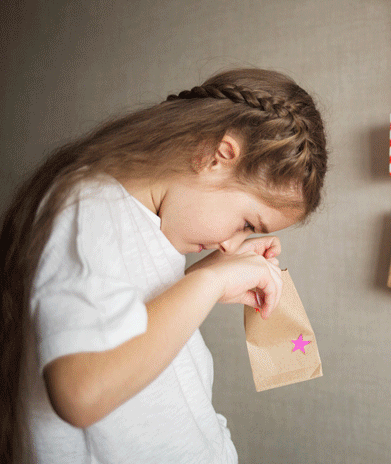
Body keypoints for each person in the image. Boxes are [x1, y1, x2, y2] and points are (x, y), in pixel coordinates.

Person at [0, 68, 328, 463]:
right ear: (219, 156)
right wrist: (208, 281)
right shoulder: (89, 207)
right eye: (246, 224)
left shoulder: (143, 223)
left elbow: (125, 329)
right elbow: (81, 394)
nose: (230, 243)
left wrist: (200, 278)